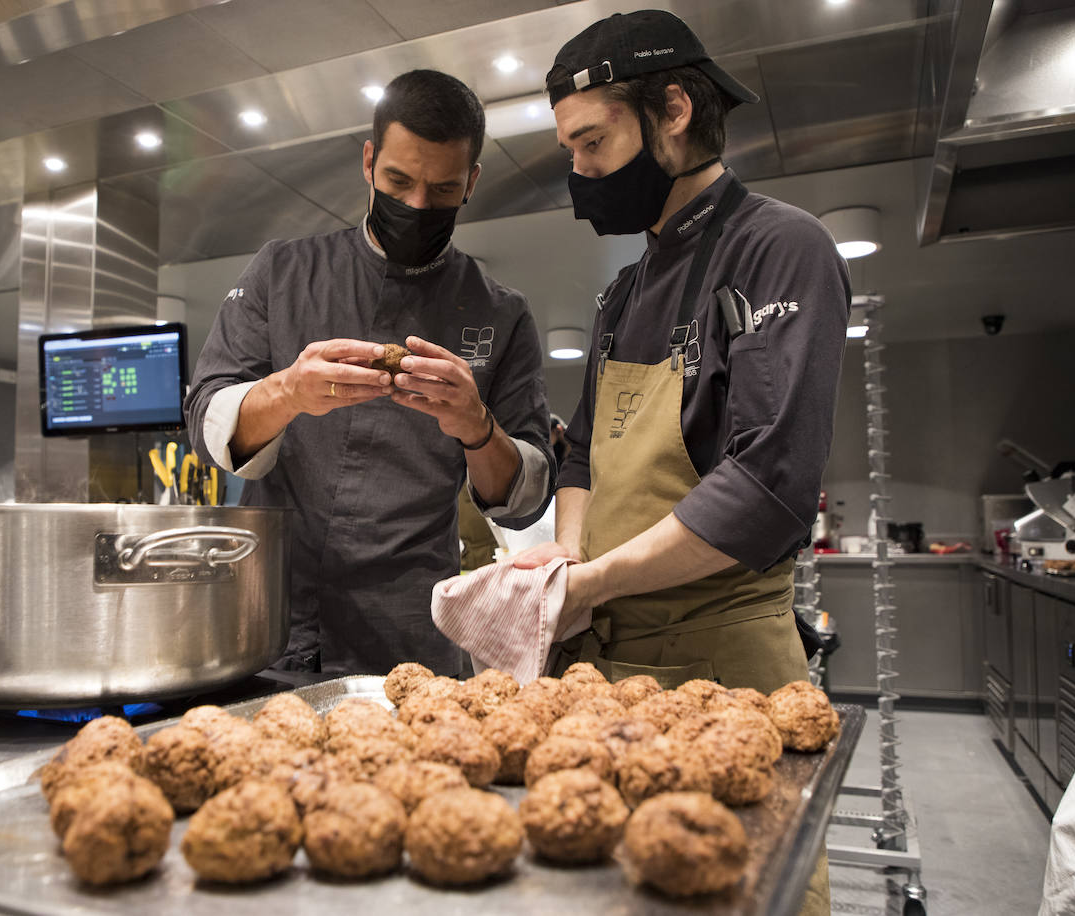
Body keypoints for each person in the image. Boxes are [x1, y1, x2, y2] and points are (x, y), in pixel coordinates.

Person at [516, 12, 850, 914]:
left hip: (724, 671)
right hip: (602, 667)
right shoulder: (623, 291)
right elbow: (581, 449)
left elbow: (767, 485)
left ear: (670, 108)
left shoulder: (781, 247)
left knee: (734, 888)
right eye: (570, 148)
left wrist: (592, 586)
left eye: (593, 142)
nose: (579, 171)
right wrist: (568, 563)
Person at [185, 69, 553, 677]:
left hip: (411, 632)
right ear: (368, 161)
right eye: (399, 181)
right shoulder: (283, 272)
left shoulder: (500, 312)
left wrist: (477, 427)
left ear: (472, 183)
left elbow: (525, 498)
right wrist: (288, 391)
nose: (415, 205)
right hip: (271, 616)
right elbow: (205, 421)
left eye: (442, 190)